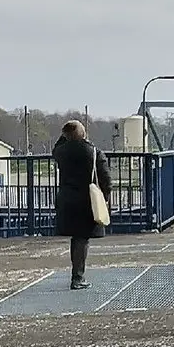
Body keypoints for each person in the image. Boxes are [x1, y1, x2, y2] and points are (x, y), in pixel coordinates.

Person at [52, 120, 110, 289]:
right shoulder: (92, 152)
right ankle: (78, 277)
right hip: (86, 200)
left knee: (76, 237)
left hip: (67, 199)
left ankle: (77, 275)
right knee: (81, 238)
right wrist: (105, 197)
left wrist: (64, 136)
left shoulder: (61, 152)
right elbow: (105, 177)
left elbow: (55, 149)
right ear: (83, 134)